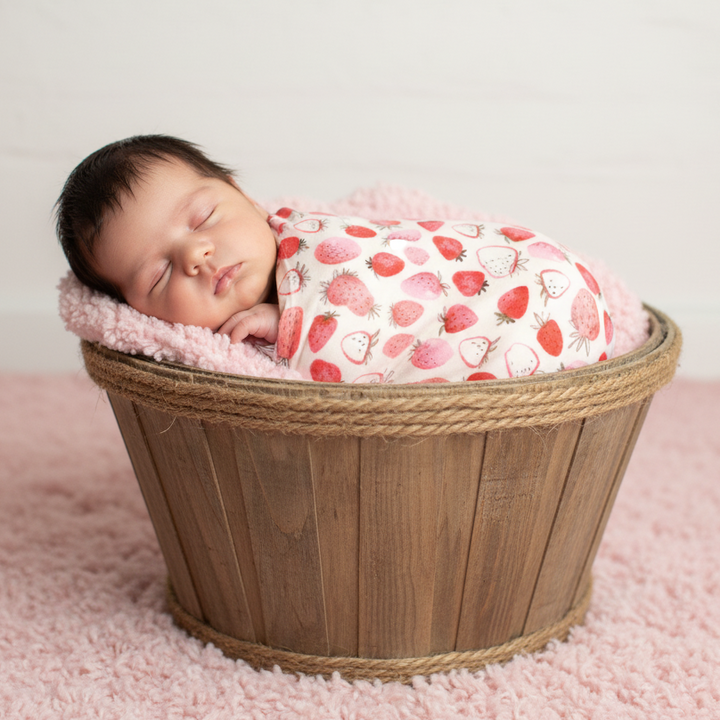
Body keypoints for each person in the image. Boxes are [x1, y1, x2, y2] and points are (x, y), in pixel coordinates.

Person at [56, 134, 614, 383]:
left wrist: (297, 321)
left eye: (203, 219)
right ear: (135, 313)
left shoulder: (313, 236)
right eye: (158, 274)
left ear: (244, 196)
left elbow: (396, 273)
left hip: (533, 284)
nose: (197, 256)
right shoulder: (222, 354)